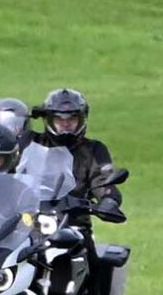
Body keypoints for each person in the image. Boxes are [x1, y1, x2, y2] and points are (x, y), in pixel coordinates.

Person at [31, 88, 123, 216]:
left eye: (72, 120)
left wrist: (108, 200)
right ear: (49, 120)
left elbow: (103, 181)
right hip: (30, 222)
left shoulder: (94, 149)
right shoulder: (31, 143)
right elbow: (6, 169)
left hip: (75, 224)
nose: (66, 124)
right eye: (59, 120)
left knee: (80, 236)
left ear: (82, 120)